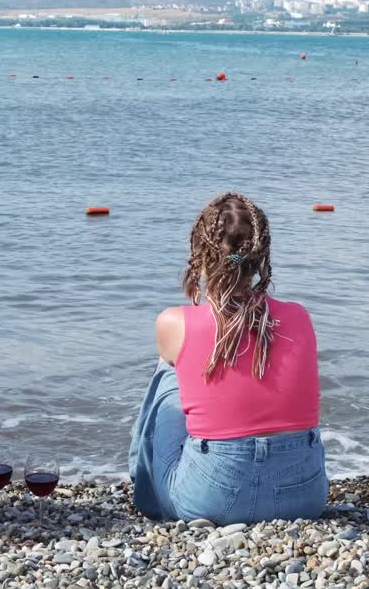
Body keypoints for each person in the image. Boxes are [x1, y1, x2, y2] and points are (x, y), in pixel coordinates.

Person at [129, 192, 327, 524]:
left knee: (168, 376)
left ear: (201, 255)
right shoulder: (299, 316)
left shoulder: (174, 321)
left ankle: (148, 494)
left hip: (212, 497)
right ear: (260, 258)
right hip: (303, 497)